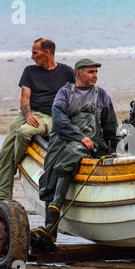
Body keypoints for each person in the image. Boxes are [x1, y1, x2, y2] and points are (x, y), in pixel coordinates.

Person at [36, 58, 121, 243]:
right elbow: (59, 121)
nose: (95, 76)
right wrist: (79, 136)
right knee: (48, 181)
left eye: (96, 72)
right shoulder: (65, 93)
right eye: (90, 72)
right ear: (78, 73)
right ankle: (50, 234)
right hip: (61, 141)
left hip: (88, 145)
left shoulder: (102, 95)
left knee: (75, 151)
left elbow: (110, 128)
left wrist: (118, 150)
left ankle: (55, 210)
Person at [0, 38, 75, 203]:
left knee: (23, 133)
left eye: (35, 53)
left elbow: (76, 97)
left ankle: (14, 164)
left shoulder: (66, 71)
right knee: (5, 152)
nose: (32, 56)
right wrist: (28, 115)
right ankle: (2, 200)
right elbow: (25, 99)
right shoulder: (29, 71)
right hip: (28, 113)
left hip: (52, 116)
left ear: (47, 53)